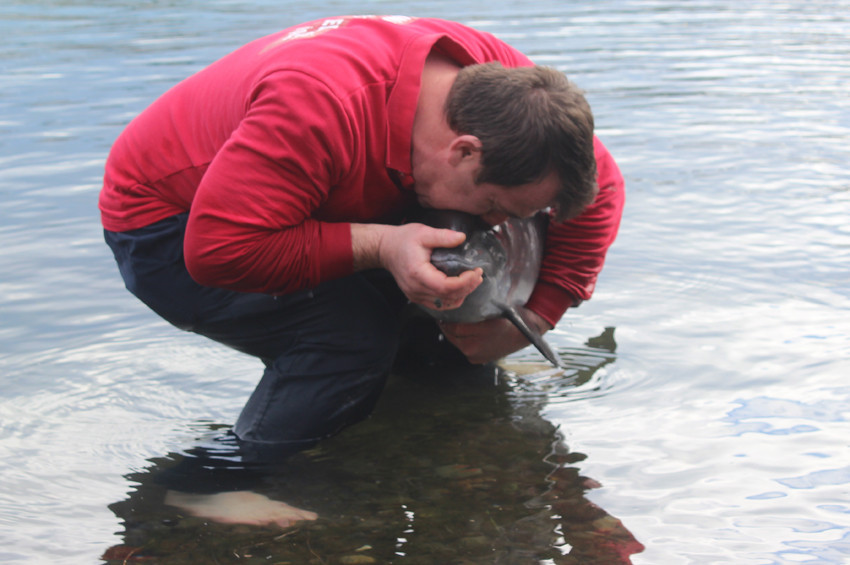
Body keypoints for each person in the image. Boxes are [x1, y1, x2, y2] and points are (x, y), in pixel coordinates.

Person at [100, 15, 624, 524]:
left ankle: (420, 430)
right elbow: (218, 250)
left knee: (446, 321)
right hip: (172, 224)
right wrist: (381, 245)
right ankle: (208, 485)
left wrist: (537, 315)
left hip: (321, 189)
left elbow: (601, 191)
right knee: (350, 338)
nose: (495, 225)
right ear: (464, 151)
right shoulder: (318, 107)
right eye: (495, 206)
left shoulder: (511, 96)